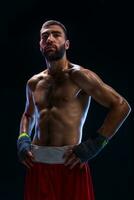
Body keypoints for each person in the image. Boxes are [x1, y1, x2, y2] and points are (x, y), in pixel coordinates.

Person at [17, 20, 131, 200]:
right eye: (44, 36)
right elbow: (28, 114)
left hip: (70, 164)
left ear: (66, 44)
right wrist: (23, 139)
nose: (50, 39)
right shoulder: (33, 82)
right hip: (38, 165)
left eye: (56, 34)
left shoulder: (79, 76)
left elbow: (121, 106)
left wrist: (94, 145)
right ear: (40, 44)